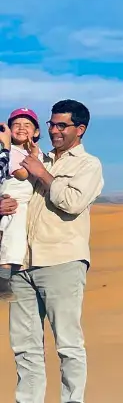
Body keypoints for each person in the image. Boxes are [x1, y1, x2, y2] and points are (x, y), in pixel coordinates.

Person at [9, 99, 104, 403]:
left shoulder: (88, 165)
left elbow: (72, 203)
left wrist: (41, 173)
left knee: (68, 344)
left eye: (62, 125)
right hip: (22, 264)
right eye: (51, 124)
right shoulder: (39, 158)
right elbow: (16, 195)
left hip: (61, 261)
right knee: (25, 346)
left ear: (80, 129)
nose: (54, 131)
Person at [0, 109, 44, 300]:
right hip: (14, 200)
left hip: (26, 203)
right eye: (16, 125)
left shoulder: (35, 152)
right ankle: (3, 279)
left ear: (36, 132)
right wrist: (32, 161)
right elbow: (22, 174)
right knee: (11, 238)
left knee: (19, 240)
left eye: (27, 125)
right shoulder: (9, 151)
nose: (21, 128)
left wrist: (34, 155)